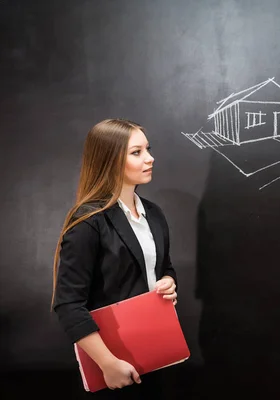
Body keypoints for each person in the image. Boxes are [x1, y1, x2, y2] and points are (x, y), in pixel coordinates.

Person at [51, 118, 178, 399]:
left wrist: (168, 281)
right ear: (110, 160)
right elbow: (68, 304)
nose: (150, 158)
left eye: (148, 149)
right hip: (112, 360)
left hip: (155, 350)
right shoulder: (88, 220)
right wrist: (108, 363)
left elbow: (163, 267)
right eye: (137, 152)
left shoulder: (154, 213)